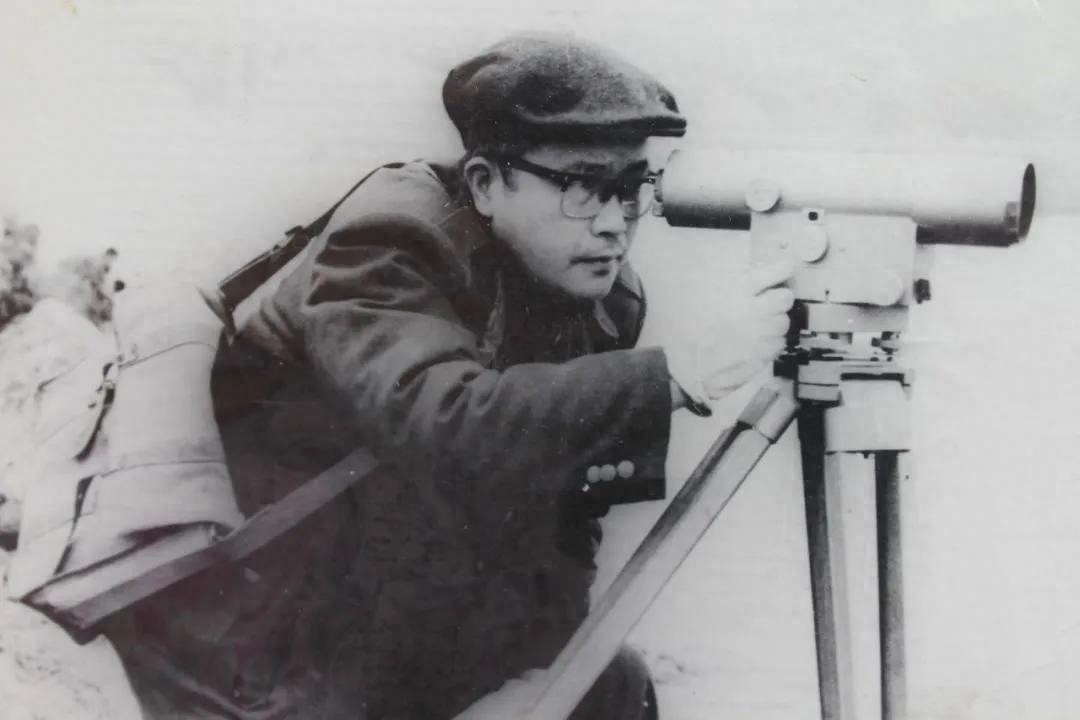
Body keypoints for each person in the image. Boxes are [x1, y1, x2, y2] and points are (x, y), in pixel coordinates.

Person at [103, 33, 794, 719]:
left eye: (631, 188)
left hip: (395, 610)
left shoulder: (602, 298)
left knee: (604, 683)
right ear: (486, 184)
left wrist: (540, 674)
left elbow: (561, 517)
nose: (615, 223)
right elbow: (446, 419)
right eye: (582, 188)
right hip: (262, 638)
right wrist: (674, 378)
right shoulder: (390, 243)